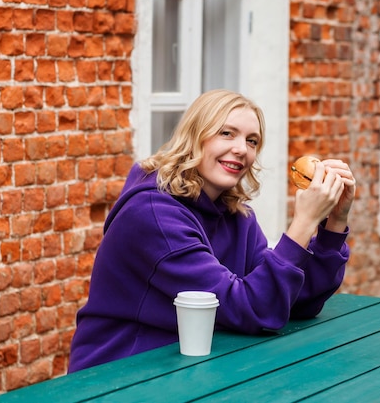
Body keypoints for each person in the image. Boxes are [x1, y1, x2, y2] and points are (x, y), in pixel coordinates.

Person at [68, 89, 356, 372]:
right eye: (226, 133)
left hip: (195, 367)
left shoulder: (237, 216)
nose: (242, 149)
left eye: (252, 140)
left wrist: (334, 223)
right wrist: (303, 222)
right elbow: (254, 309)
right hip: (121, 374)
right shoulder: (153, 215)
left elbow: (293, 301)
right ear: (194, 137)